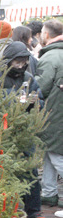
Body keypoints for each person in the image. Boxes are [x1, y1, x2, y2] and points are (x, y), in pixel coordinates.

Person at [0, 41, 47, 218]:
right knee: (4, 168)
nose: (20, 66)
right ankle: (6, 208)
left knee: (30, 168)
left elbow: (40, 98)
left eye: (23, 62)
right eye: (17, 62)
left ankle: (34, 210)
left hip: (24, 129)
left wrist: (35, 102)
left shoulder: (28, 78)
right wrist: (15, 101)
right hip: (4, 130)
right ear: (9, 61)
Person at [35, 19, 63, 208]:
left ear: (46, 35)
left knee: (55, 154)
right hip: (58, 111)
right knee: (49, 152)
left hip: (53, 113)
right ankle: (49, 191)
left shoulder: (50, 57)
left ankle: (49, 191)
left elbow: (40, 88)